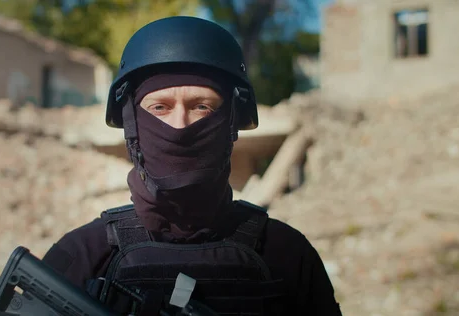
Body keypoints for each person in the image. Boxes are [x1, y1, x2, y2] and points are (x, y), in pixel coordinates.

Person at [42, 16, 342, 316]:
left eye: (202, 106)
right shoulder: (81, 257)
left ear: (231, 122)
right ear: (133, 125)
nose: (180, 126)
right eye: (160, 107)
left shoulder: (287, 256)